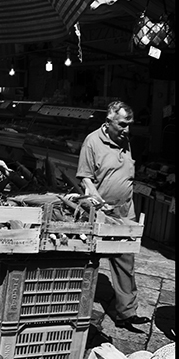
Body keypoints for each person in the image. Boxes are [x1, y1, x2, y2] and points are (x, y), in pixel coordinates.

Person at [76, 101, 150, 334]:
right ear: (108, 123)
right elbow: (86, 178)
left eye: (130, 124)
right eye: (122, 124)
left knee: (125, 261)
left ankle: (126, 313)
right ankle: (79, 310)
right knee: (90, 261)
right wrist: (98, 201)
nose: (127, 129)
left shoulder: (124, 140)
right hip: (99, 211)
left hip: (125, 209)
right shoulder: (92, 142)